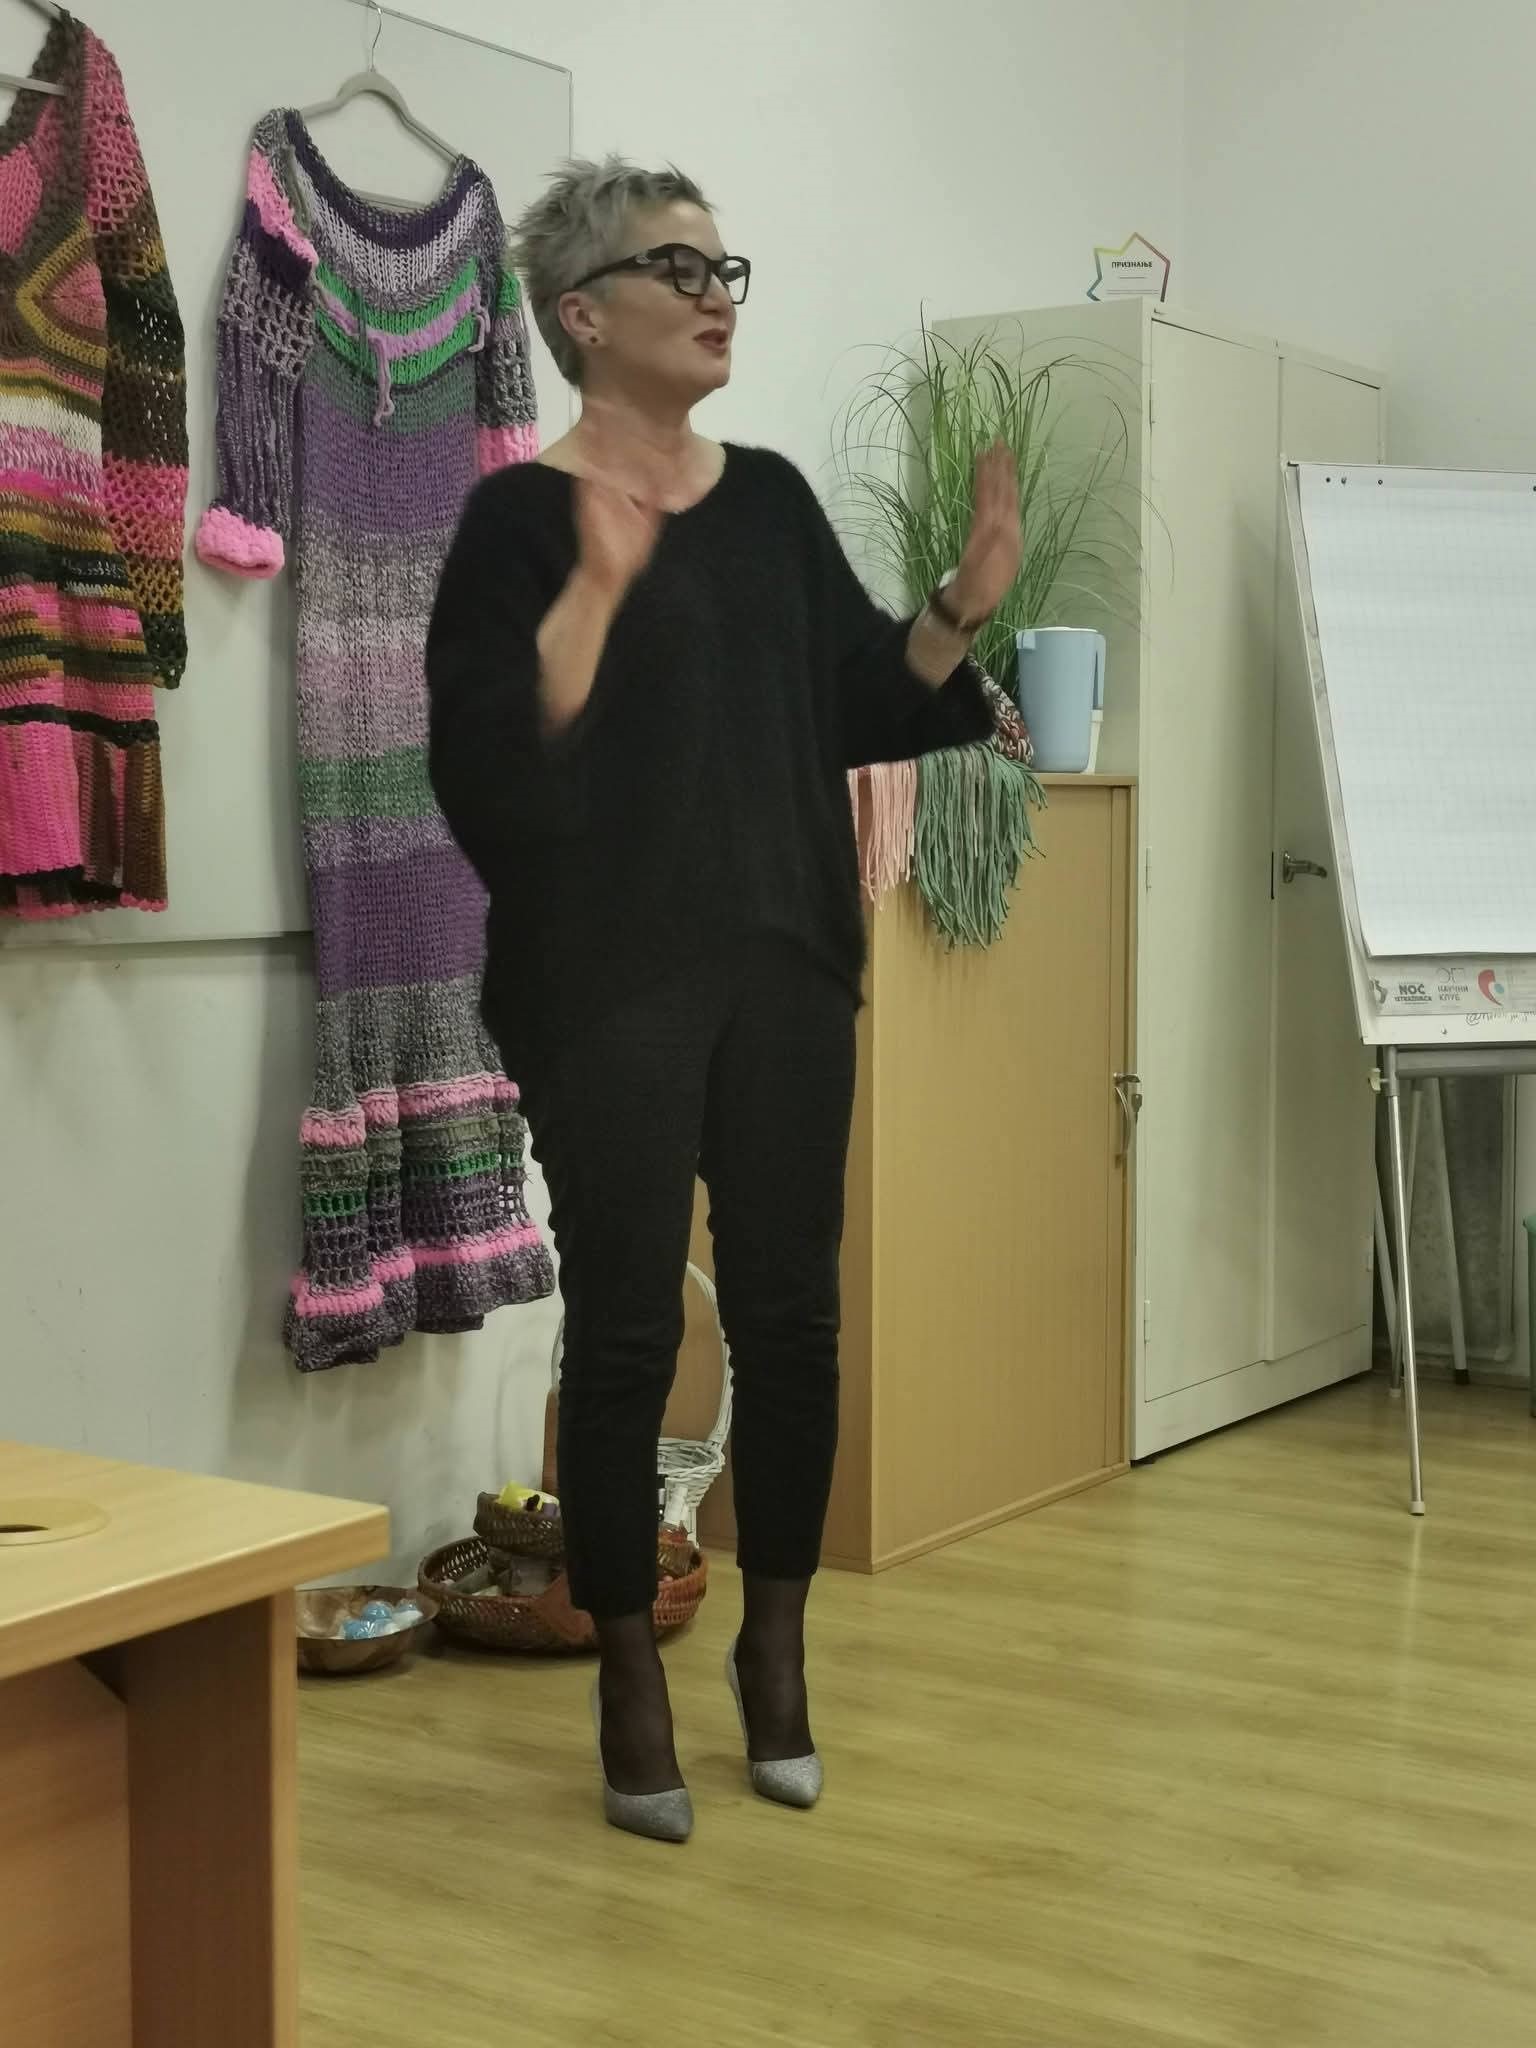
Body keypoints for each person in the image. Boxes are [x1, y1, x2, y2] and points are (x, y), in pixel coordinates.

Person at [425, 157, 1022, 1843]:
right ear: (580, 313)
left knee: (791, 1316)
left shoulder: (764, 502)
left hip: (785, 968)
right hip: (603, 982)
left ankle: (776, 1645)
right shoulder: (513, 525)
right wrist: (594, 599)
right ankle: (626, 1663)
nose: (714, 293)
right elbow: (483, 775)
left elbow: (860, 701)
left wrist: (958, 609)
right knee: (628, 1329)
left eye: (721, 266)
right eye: (675, 267)